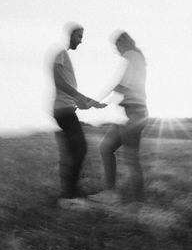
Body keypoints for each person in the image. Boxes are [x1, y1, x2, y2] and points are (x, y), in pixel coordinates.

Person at [51, 22, 105, 208]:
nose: (81, 41)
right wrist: (79, 96)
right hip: (62, 111)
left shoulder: (65, 57)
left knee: (75, 151)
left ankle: (71, 192)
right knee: (79, 149)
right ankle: (68, 196)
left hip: (66, 109)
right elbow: (58, 80)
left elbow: (72, 94)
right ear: (71, 35)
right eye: (79, 36)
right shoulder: (61, 53)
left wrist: (90, 103)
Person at [97, 31, 148, 203]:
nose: (116, 50)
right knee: (106, 148)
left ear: (123, 43)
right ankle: (111, 194)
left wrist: (95, 101)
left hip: (135, 114)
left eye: (116, 46)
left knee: (131, 158)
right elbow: (124, 87)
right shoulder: (136, 57)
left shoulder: (131, 55)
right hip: (132, 114)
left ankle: (138, 202)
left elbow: (121, 85)